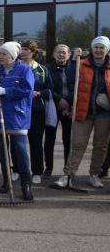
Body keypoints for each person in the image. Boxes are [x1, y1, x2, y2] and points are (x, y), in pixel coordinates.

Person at [54, 36, 110, 189]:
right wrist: (73, 60)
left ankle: (94, 174)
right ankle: (68, 175)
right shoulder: (81, 63)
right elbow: (73, 81)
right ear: (92, 48)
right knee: (77, 144)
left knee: (101, 146)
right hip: (83, 111)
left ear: (107, 50)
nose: (98, 50)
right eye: (96, 47)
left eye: (102, 47)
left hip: (104, 113)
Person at [0, 41, 34, 200]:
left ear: (13, 55)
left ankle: (26, 184)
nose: (0, 57)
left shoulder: (24, 70)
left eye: (4, 54)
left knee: (20, 149)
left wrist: (6, 90)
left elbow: (27, 90)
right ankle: (6, 181)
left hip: (17, 116)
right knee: (2, 150)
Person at [19, 40, 54, 184]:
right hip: (19, 110)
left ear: (33, 52)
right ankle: (17, 169)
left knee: (35, 142)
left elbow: (50, 90)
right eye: (21, 49)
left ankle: (37, 171)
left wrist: (39, 93)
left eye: (26, 49)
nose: (23, 51)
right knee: (18, 143)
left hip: (36, 111)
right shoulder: (16, 68)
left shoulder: (42, 69)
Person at [47, 44, 73, 177]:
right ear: (54, 54)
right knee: (50, 138)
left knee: (68, 139)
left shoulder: (74, 68)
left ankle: (67, 169)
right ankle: (48, 168)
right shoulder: (47, 69)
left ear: (69, 55)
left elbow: (77, 86)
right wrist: (59, 100)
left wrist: (67, 101)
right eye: (58, 52)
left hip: (69, 108)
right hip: (53, 106)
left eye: (64, 52)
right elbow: (47, 87)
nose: (61, 55)